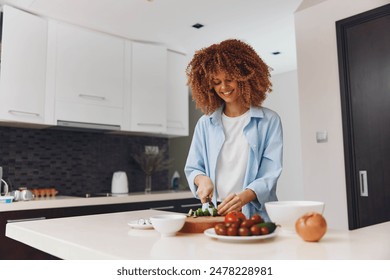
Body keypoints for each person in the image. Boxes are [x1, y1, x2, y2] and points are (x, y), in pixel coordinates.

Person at [184, 39, 283, 221]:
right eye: (216, 82)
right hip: (217, 213)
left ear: (245, 77)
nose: (223, 87)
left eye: (229, 79)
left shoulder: (269, 121)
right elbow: (193, 168)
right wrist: (201, 179)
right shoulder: (205, 124)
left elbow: (270, 172)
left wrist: (244, 197)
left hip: (255, 214)